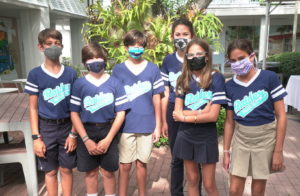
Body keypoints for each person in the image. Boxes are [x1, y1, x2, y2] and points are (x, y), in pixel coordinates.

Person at [223, 39, 287, 196]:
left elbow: (281, 116)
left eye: (241, 58)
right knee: (234, 190)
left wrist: (278, 151)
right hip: (241, 139)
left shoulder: (269, 78)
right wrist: (225, 151)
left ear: (252, 56)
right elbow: (230, 122)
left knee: (258, 191)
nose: (237, 63)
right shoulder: (230, 86)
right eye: (233, 60)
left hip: (265, 139)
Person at [70, 42, 131, 196]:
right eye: (91, 58)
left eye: (99, 57)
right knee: (90, 173)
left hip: (108, 130)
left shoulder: (115, 83)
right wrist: (85, 139)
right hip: (86, 130)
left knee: (109, 172)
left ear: (105, 59)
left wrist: (109, 139)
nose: (95, 61)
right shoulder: (79, 84)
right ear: (85, 62)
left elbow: (121, 112)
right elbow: (74, 113)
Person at [24, 28, 77, 196]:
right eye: (49, 44)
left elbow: (76, 107)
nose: (53, 46)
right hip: (46, 128)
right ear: (41, 47)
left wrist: (73, 134)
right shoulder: (35, 74)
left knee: (67, 169)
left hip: (67, 127)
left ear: (62, 46)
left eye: (57, 43)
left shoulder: (70, 73)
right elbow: (33, 107)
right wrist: (36, 138)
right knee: (51, 171)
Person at [112, 30, 164, 196]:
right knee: (125, 165)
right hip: (125, 125)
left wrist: (158, 125)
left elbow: (157, 98)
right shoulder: (118, 70)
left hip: (147, 125)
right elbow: (114, 99)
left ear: (144, 47)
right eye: (133, 45)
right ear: (126, 47)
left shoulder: (153, 69)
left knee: (142, 164)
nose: (136, 48)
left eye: (140, 45)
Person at [173, 39, 226, 196]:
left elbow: (213, 116)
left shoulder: (216, 78)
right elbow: (177, 113)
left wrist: (186, 115)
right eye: (190, 55)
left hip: (206, 136)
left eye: (199, 54)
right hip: (186, 135)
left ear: (207, 56)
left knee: (209, 184)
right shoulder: (183, 80)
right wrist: (202, 112)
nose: (194, 58)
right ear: (186, 58)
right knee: (192, 179)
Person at [160, 18, 203, 196]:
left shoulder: (198, 57)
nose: (181, 37)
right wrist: (164, 121)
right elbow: (165, 91)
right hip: (174, 112)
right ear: (172, 37)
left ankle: (196, 192)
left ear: (192, 36)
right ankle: (176, 193)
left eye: (185, 34)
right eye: (177, 34)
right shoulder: (168, 61)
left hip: (196, 110)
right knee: (177, 157)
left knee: (197, 157)